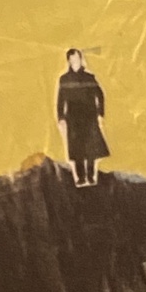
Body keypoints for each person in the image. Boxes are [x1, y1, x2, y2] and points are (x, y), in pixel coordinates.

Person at [56, 49, 108, 188]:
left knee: (91, 148)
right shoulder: (64, 79)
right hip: (73, 118)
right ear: (69, 61)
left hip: (89, 116)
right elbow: (61, 99)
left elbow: (100, 95)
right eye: (72, 59)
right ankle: (80, 177)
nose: (75, 61)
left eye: (77, 58)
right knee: (77, 149)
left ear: (81, 59)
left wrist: (100, 113)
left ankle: (90, 176)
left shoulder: (89, 77)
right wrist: (61, 117)